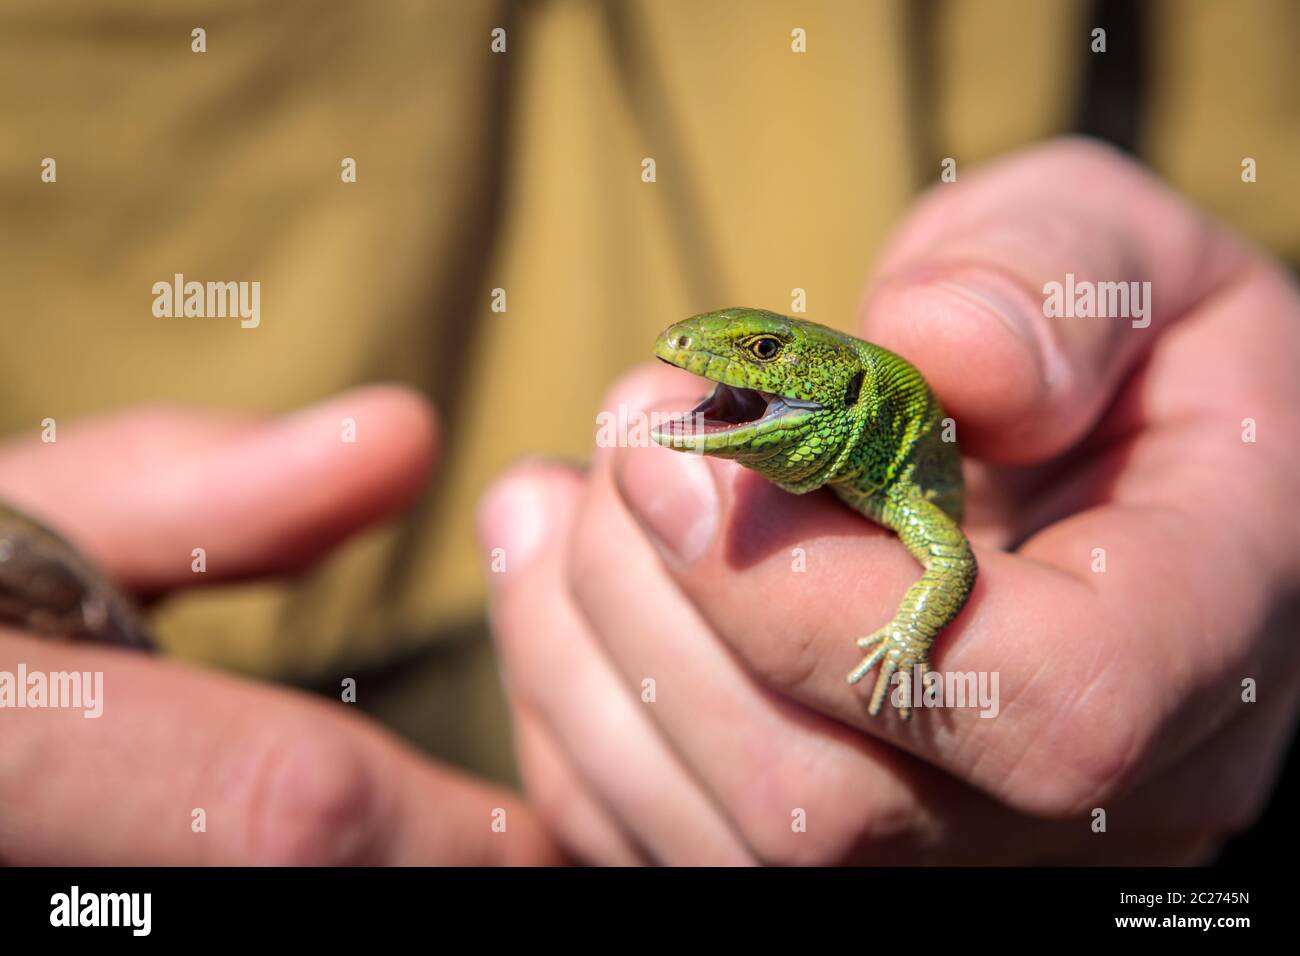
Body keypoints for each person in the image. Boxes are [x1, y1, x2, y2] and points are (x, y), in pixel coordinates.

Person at [1, 1, 1295, 864]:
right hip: (244, 656)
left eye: (767, 361)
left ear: (842, 399)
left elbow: (946, 563)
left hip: (1040, 534)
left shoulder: (899, 475)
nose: (713, 374)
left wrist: (1229, 353)